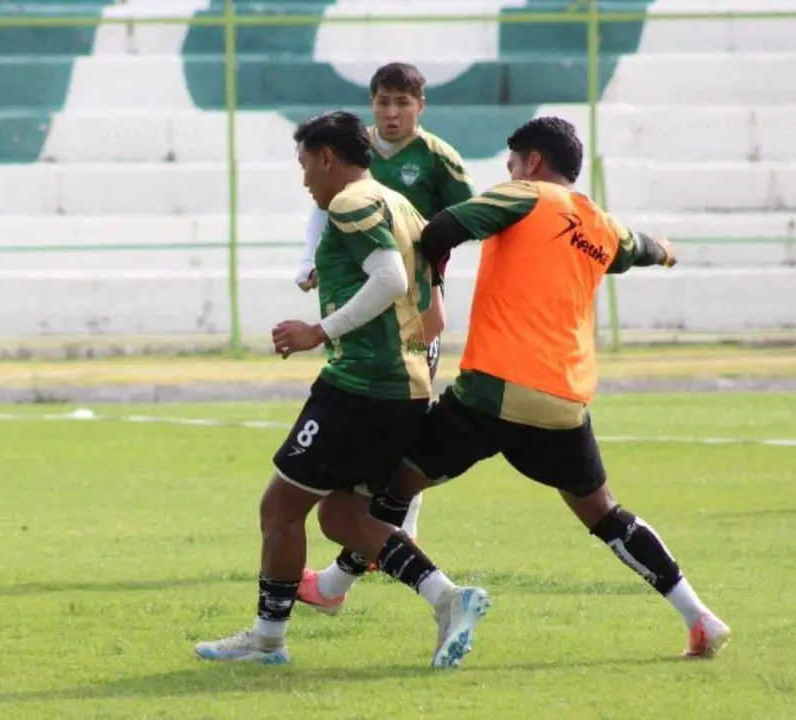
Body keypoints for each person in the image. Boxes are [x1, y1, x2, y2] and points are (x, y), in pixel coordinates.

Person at [298, 116, 732, 660]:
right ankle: (699, 617)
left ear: (531, 162)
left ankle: (347, 591)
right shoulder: (600, 224)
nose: (507, 172)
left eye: (511, 163)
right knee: (605, 513)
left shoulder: (523, 196)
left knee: (393, 483)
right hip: (564, 401)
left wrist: (414, 277)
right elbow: (640, 247)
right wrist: (665, 251)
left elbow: (440, 230)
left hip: (493, 390)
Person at [194, 110, 490, 668]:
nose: (305, 177)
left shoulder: (351, 202)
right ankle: (449, 598)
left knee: (280, 507)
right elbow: (419, 290)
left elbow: (390, 279)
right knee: (343, 519)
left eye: (306, 163)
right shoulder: (398, 202)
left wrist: (317, 331)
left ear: (327, 157)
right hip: (404, 386)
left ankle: (266, 640)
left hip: (359, 385)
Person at [295, 62, 475, 546]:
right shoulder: (354, 151)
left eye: (402, 102)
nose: (392, 113)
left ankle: (400, 527)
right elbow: (321, 210)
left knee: (406, 409)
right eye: (383, 102)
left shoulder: (439, 158)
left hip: (413, 303)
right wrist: (311, 262)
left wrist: (432, 278)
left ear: (420, 106)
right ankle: (373, 531)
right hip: (364, 307)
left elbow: (464, 221)